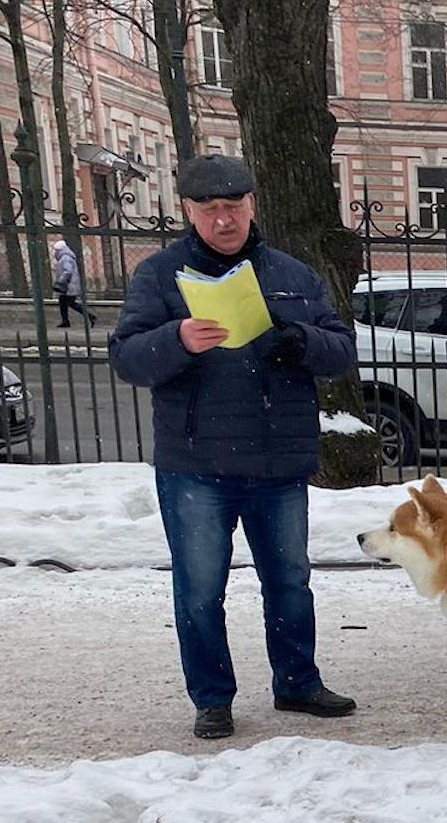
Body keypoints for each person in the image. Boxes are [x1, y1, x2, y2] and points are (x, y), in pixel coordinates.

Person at [109, 154, 360, 741]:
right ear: (189, 212)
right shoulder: (159, 276)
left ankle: (297, 681)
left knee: (291, 580)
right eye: (209, 209)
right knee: (200, 587)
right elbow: (126, 358)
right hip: (196, 464)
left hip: (277, 459)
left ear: (251, 205)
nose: (224, 220)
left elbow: (341, 349)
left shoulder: (294, 275)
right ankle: (213, 698)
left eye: (233, 207)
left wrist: (298, 339)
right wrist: (176, 339)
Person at [52, 239, 96, 328]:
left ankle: (90, 316)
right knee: (63, 302)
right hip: (69, 285)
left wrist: (60, 281)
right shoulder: (66, 257)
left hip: (69, 286)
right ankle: (65, 321)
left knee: (71, 303)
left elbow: (67, 271)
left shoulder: (65, 258)